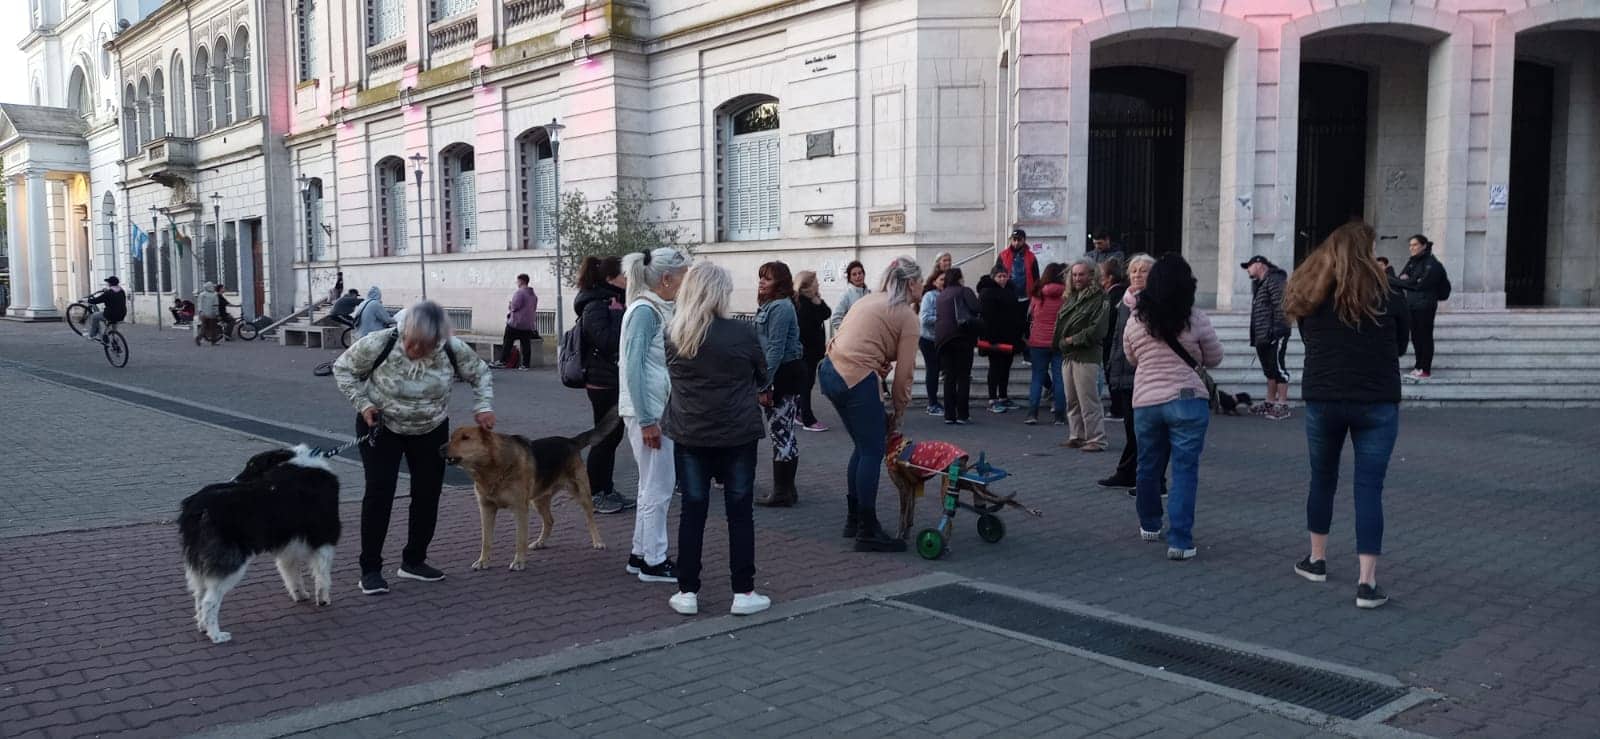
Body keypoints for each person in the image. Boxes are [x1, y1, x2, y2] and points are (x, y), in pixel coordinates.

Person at [1283, 221, 1408, 609]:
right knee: (1369, 489)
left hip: (1324, 397)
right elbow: (1401, 346)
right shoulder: (1390, 293)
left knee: (1322, 478)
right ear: (1368, 252)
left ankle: (1316, 559)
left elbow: (1309, 341)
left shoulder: (1311, 294)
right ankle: (1366, 582)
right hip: (1377, 400)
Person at [333, 301, 495, 595]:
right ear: (404, 330)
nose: (415, 350)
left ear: (438, 340)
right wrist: (364, 404)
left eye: (425, 345)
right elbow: (343, 369)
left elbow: (481, 373)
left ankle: (414, 561)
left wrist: (483, 406)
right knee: (380, 493)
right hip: (381, 425)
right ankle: (370, 569)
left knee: (428, 493)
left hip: (430, 428)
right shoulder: (380, 342)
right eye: (411, 342)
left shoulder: (451, 349)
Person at [661, 262, 771, 617]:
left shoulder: (674, 333)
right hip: (737, 431)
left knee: (693, 511)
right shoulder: (743, 332)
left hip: (690, 431)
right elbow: (763, 376)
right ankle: (743, 591)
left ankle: (687, 590)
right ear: (721, 293)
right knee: (740, 512)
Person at [1123, 254, 1223, 560]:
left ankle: (1149, 524)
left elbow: (1131, 358)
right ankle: (1180, 541)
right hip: (1187, 400)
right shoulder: (1195, 318)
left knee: (1147, 465)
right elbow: (1214, 358)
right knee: (1184, 471)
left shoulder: (1136, 320)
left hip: (1146, 401)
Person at [820, 256, 922, 553]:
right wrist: (899, 412)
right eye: (921, 280)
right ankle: (867, 530)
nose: (923, 285)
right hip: (854, 376)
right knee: (873, 450)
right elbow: (905, 374)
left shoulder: (869, 300)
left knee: (863, 446)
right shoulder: (907, 316)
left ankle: (854, 520)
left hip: (829, 369)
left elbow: (853, 337)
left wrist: (876, 364)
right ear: (910, 283)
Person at [618, 247, 692, 585]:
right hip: (649, 412)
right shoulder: (646, 311)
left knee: (651, 485)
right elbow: (632, 367)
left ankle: (641, 554)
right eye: (683, 276)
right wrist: (648, 419)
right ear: (666, 278)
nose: (685, 283)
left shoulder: (651, 309)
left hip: (651, 409)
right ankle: (654, 559)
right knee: (658, 487)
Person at [1099, 254, 1168, 492]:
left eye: (1144, 270)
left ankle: (1154, 480)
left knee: (1147, 431)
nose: (1137, 274)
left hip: (1146, 374)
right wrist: (1112, 366)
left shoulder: (1156, 301)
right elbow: (1118, 338)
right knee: (1132, 428)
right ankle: (1127, 472)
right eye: (1134, 270)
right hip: (1123, 372)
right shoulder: (1126, 301)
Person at [575, 255, 632, 515]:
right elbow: (607, 342)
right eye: (624, 275)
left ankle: (606, 489)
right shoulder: (595, 305)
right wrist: (620, 316)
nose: (627, 279)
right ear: (610, 279)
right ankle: (594, 493)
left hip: (611, 378)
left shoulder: (612, 301)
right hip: (602, 382)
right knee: (604, 438)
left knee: (612, 437)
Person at [754, 261, 806, 507]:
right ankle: (787, 489)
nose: (762, 282)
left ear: (780, 283)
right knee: (783, 432)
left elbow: (775, 349)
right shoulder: (771, 305)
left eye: (768, 278)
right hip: (781, 374)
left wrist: (764, 384)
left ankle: (782, 491)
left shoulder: (781, 307)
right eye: (761, 277)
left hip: (783, 375)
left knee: (781, 432)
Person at [1055, 260, 1110, 451]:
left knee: (1088, 399)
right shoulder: (1072, 297)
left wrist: (1073, 339)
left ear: (1091, 275)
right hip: (1068, 354)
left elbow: (1098, 329)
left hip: (1086, 355)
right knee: (1072, 399)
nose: (1077, 278)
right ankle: (1077, 435)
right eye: (1074, 274)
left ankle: (1096, 438)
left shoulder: (1100, 298)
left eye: (1081, 274)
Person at [1241, 256, 1292, 420]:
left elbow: (1281, 305)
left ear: (1259, 264)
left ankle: (1282, 404)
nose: (1247, 269)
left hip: (1275, 333)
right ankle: (1270, 402)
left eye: (1249, 266)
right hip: (1262, 335)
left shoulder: (1275, 279)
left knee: (1278, 368)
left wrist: (1278, 329)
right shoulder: (1259, 284)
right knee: (1269, 370)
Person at [1394, 234, 1445, 380]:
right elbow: (1402, 278)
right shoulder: (1412, 262)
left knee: (1425, 336)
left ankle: (1425, 369)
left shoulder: (1431, 263)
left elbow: (1416, 284)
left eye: (1415, 245)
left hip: (1426, 305)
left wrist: (1408, 280)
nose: (1412, 248)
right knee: (1416, 336)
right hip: (1412, 304)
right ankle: (1418, 366)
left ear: (1424, 246)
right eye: (1410, 245)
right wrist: (1407, 280)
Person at [935, 267, 981, 425]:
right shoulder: (964, 291)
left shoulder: (941, 295)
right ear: (959, 278)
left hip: (943, 339)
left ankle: (949, 415)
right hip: (962, 337)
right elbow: (976, 308)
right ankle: (962, 414)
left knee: (949, 377)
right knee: (963, 376)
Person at [1024, 263, 1067, 425]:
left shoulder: (1038, 294)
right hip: (1059, 341)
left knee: (1037, 377)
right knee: (1059, 378)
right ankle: (1059, 415)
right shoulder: (1066, 295)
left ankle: (1032, 414)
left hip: (1038, 341)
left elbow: (1030, 315)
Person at [977, 267, 1023, 413]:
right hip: (993, 337)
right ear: (993, 277)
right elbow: (986, 317)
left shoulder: (1010, 290)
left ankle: (1003, 396)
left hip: (1009, 336)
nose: (1002, 279)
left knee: (1006, 367)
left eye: (1005, 276)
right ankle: (992, 399)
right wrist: (990, 338)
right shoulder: (987, 292)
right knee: (995, 367)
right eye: (999, 276)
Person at [792, 270, 832, 432]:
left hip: (813, 351)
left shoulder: (812, 300)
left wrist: (818, 301)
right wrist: (816, 305)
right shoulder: (801, 304)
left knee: (807, 383)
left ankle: (799, 411)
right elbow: (808, 327)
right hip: (805, 351)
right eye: (815, 282)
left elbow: (827, 313)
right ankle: (808, 419)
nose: (818, 284)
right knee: (806, 384)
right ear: (807, 286)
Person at [1099, 258, 1128, 418]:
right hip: (1117, 340)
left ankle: (1117, 407)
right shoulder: (1123, 293)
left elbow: (1107, 319)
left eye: (1101, 275)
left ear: (1109, 277)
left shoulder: (1113, 295)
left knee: (1112, 373)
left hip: (1112, 341)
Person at [494, 274, 540, 370]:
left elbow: (514, 307)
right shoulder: (533, 295)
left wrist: (510, 306)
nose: (517, 283)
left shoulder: (519, 293)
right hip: (528, 324)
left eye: (517, 281)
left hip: (516, 323)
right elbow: (534, 308)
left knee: (508, 341)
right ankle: (525, 364)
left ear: (522, 281)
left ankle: (503, 361)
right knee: (526, 344)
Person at [918, 269, 945, 417]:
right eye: (941, 279)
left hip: (941, 338)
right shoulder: (929, 296)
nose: (944, 282)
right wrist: (943, 318)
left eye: (946, 279)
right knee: (933, 370)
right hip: (928, 339)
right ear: (934, 282)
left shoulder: (947, 294)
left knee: (940, 369)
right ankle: (932, 403)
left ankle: (938, 402)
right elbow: (924, 318)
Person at [993, 229, 1039, 302]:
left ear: (1024, 240)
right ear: (1011, 240)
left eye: (1019, 240)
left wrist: (1036, 294)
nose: (1016, 242)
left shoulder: (1031, 257)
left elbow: (1036, 277)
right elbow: (995, 275)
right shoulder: (1003, 255)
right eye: (1014, 240)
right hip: (1007, 296)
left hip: (1026, 297)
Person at [829, 260, 870, 332]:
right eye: (854, 274)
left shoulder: (870, 294)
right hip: (853, 336)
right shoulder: (846, 295)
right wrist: (849, 331)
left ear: (864, 274)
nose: (858, 276)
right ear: (850, 278)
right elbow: (835, 319)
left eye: (860, 273)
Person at [86, 276, 128, 341]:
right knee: (114, 321)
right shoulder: (122, 291)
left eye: (108, 282)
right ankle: (113, 339)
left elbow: (97, 300)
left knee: (94, 316)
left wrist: (88, 300)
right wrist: (107, 291)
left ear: (110, 284)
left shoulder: (108, 293)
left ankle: (92, 335)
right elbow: (115, 297)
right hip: (122, 314)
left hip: (110, 314)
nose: (107, 284)